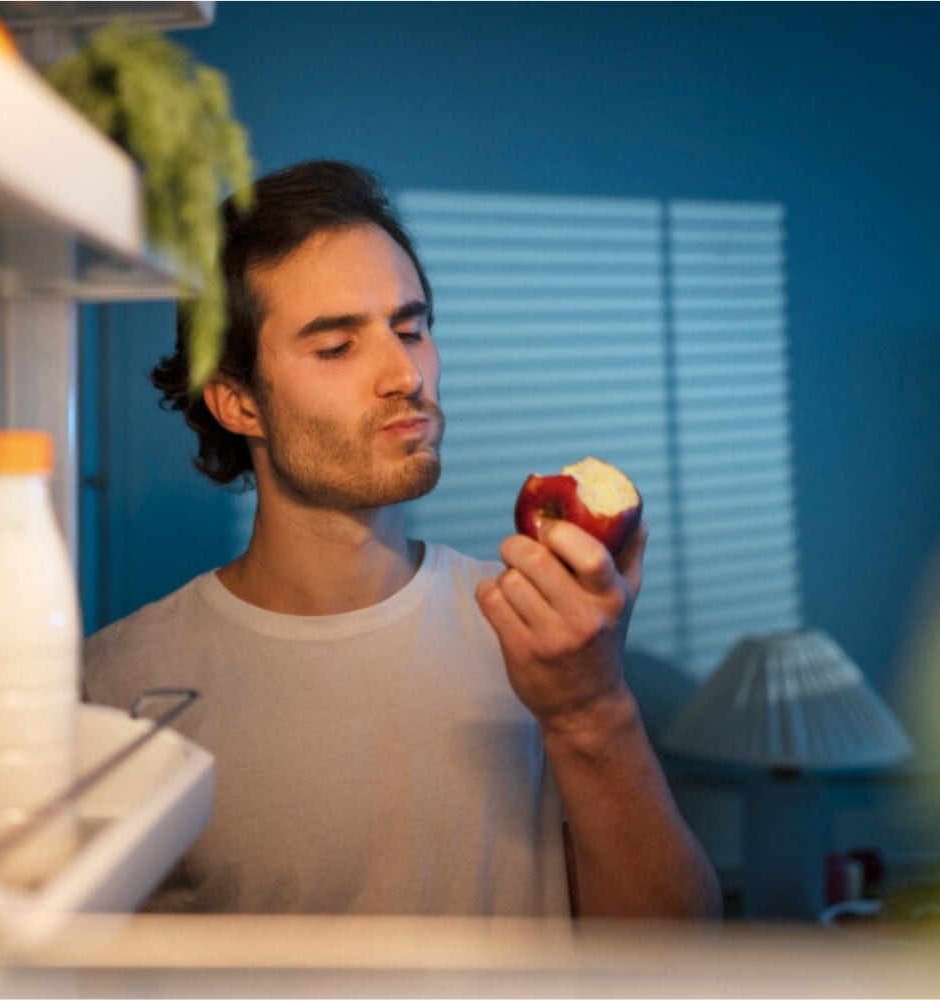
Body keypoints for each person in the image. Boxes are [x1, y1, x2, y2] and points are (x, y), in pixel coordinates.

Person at [83, 159, 720, 919]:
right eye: (335, 347)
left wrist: (591, 708)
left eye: (411, 329)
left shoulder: (540, 637)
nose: (403, 375)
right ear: (238, 403)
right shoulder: (118, 690)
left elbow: (671, 950)